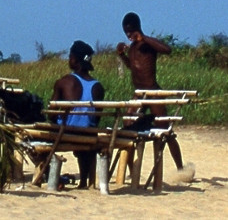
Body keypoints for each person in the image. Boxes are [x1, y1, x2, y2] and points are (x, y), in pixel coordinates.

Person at [116, 12, 190, 175]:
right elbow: (133, 68)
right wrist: (122, 55)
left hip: (153, 91)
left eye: (131, 31)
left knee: (166, 130)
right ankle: (131, 170)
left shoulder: (147, 43)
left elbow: (167, 49)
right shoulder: (133, 48)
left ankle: (180, 168)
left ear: (137, 28)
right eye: (126, 32)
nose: (129, 35)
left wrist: (143, 38)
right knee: (127, 126)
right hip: (139, 94)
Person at [51, 41, 105, 189]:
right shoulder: (98, 87)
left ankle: (47, 173)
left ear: (74, 59)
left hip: (65, 132)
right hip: (88, 134)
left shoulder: (64, 82)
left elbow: (52, 111)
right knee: (86, 129)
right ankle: (83, 182)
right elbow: (97, 118)